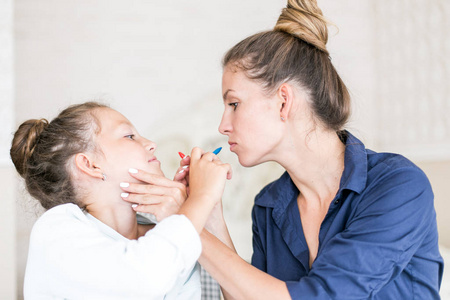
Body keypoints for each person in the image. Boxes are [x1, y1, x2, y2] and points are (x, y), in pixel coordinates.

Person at [176, 0, 445, 299]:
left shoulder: (399, 185)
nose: (223, 126)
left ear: (283, 101)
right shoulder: (268, 206)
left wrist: (186, 225)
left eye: (234, 104)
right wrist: (209, 211)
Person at [10, 102, 231, 299]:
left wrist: (198, 210)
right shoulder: (55, 232)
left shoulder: (169, 230)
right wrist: (203, 196)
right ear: (90, 165)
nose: (151, 143)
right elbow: (146, 278)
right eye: (129, 136)